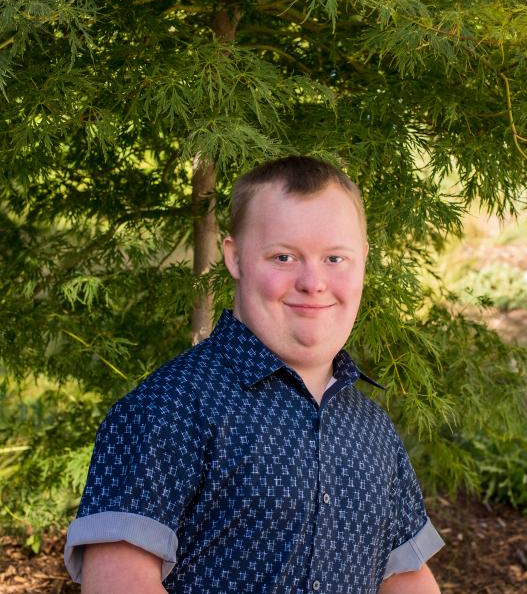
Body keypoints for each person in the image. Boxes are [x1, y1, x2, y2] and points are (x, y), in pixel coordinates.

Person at [64, 156, 444, 593]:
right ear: (235, 257)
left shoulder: (372, 429)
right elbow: (119, 584)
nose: (313, 282)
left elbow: (406, 578)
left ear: (363, 262)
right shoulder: (166, 408)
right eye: (284, 256)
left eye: (335, 258)